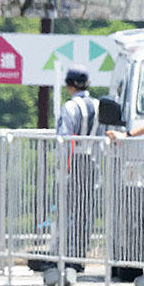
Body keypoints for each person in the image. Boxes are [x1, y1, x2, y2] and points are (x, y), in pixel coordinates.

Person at [53, 67, 98, 268]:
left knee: (68, 207)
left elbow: (64, 138)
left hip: (74, 161)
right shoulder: (97, 105)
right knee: (84, 209)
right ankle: (80, 253)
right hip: (92, 161)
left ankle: (66, 254)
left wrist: (63, 166)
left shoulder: (70, 106)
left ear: (69, 85)